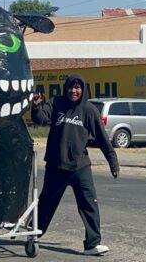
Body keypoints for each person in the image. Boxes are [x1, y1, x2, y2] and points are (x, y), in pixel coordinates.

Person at [31, 74, 120, 256]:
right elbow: (40, 118)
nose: (74, 91)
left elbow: (103, 139)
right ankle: (33, 234)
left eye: (78, 87)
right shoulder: (57, 103)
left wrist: (113, 162)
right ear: (67, 88)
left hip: (80, 167)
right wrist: (36, 106)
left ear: (83, 89)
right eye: (72, 87)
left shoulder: (89, 110)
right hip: (57, 165)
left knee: (90, 204)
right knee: (47, 203)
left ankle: (92, 244)